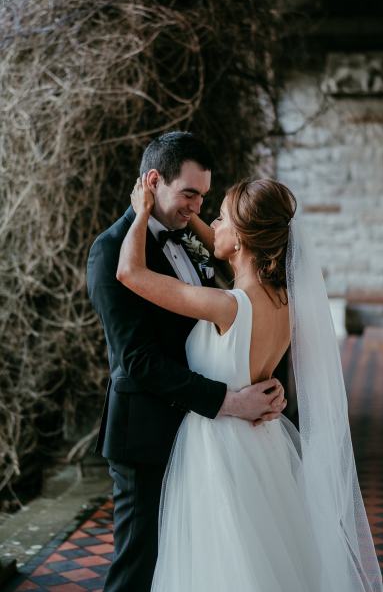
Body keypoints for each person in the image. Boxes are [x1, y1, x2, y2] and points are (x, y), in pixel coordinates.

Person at [117, 175, 383, 592]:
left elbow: (130, 272)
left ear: (241, 239)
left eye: (219, 218)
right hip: (264, 445)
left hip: (217, 451)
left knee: (223, 564)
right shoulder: (285, 300)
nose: (209, 225)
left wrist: (141, 213)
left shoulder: (227, 307)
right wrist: (218, 223)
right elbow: (227, 245)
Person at [86, 132, 286, 592]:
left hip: (202, 439)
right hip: (147, 435)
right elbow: (137, 362)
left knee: (192, 562)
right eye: (190, 194)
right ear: (153, 181)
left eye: (204, 197)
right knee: (139, 564)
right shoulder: (110, 250)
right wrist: (230, 402)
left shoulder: (192, 238)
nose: (198, 207)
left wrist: (266, 384)